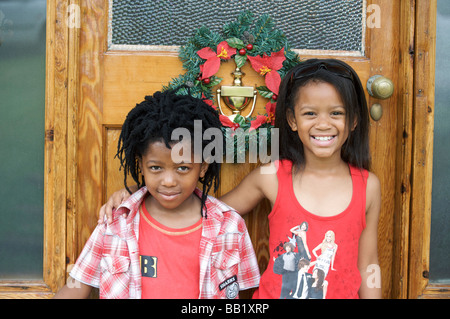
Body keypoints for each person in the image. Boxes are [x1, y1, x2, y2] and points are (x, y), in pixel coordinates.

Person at [99, 59, 382, 299]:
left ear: (354, 120)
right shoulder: (271, 177)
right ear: (292, 121)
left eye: (336, 113)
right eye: (310, 114)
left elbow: (368, 263)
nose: (323, 124)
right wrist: (139, 192)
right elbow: (206, 212)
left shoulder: (368, 186)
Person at [54, 89, 260, 299]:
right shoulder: (116, 222)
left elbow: (244, 293)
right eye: (155, 168)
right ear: (141, 166)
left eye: (182, 168)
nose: (169, 181)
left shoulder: (230, 226)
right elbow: (75, 287)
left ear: (203, 167)